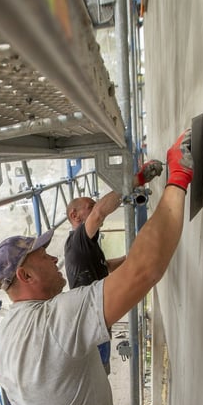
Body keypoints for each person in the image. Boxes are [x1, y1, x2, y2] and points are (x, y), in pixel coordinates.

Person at [0, 127, 194, 405]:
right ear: (25, 276)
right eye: (42, 256)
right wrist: (177, 179)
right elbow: (144, 272)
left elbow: (121, 269)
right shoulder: (56, 321)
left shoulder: (5, 333)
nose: (54, 256)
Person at [64, 159, 163, 375]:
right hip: (91, 325)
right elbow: (99, 212)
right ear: (75, 216)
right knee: (97, 376)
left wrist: (131, 257)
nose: (94, 212)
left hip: (97, 324)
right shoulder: (77, 242)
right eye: (88, 207)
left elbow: (105, 266)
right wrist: (138, 179)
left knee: (102, 373)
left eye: (92, 206)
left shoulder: (86, 247)